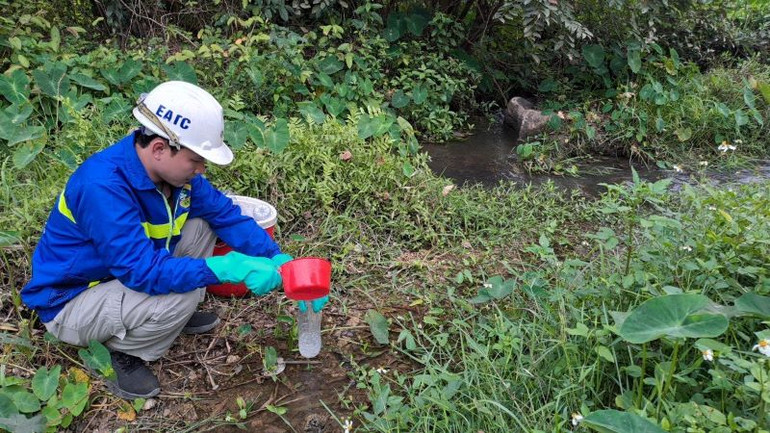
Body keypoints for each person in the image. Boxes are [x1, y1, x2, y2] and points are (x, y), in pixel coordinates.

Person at [20, 81, 328, 400]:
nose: (201, 169)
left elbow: (226, 216)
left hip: (118, 277)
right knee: (180, 295)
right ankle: (122, 352)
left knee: (204, 225)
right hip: (72, 301)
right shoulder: (103, 187)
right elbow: (143, 273)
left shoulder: (176, 178)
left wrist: (280, 260)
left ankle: (158, 316)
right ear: (158, 148)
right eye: (195, 160)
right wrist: (224, 268)